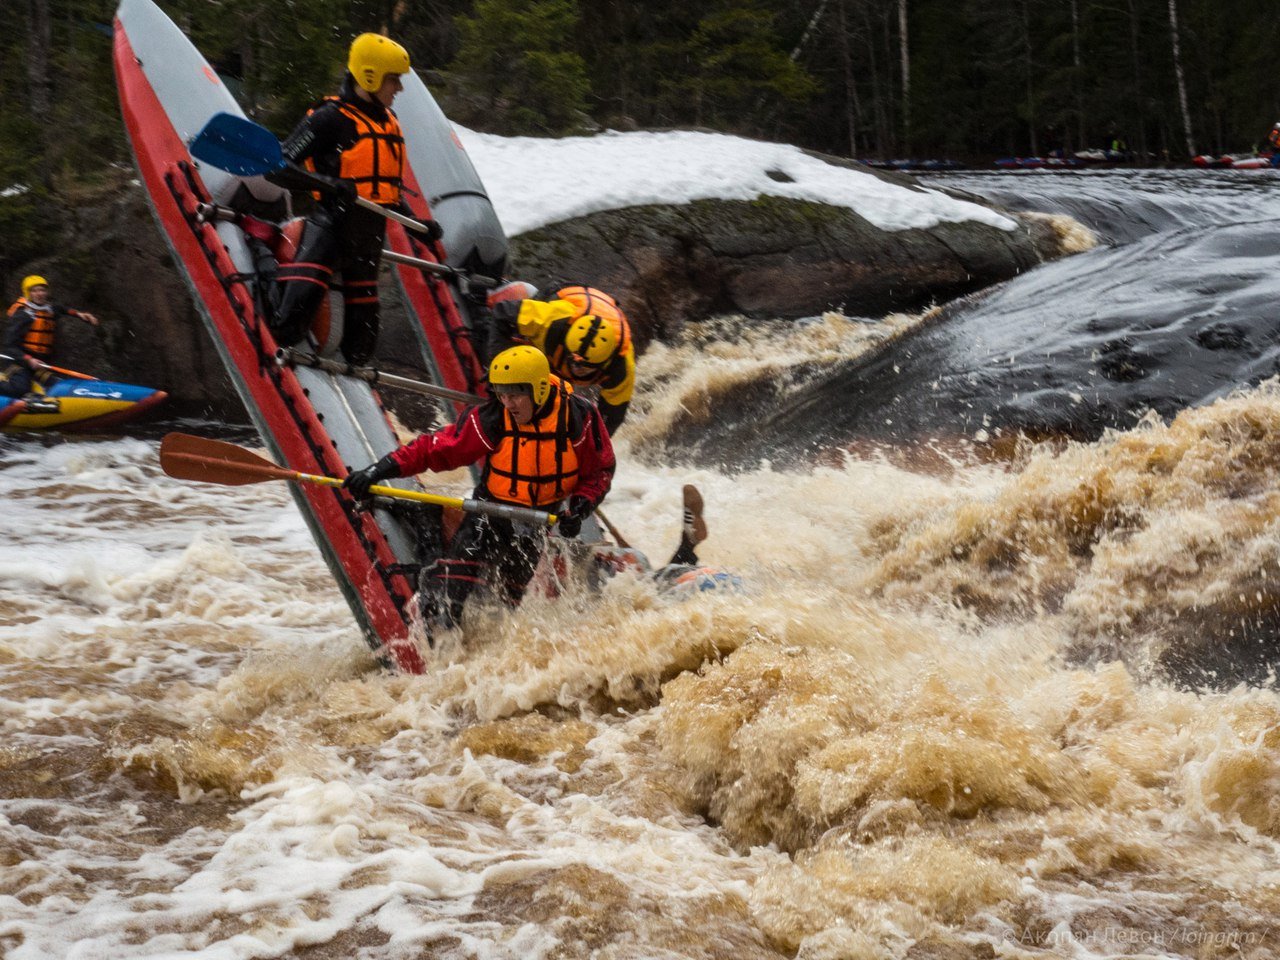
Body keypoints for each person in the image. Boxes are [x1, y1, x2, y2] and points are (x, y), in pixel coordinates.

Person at [343, 345, 615, 640]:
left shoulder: (578, 418)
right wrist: (378, 471)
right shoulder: (495, 415)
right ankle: (439, 649)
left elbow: (599, 471)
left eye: (514, 395)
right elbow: (438, 448)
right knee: (449, 596)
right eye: (502, 394)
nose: (507, 402)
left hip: (535, 523)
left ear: (537, 390)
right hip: (487, 513)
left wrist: (580, 507)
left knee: (504, 609)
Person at [268, 32, 442, 365]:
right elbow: (277, 168)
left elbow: (385, 192)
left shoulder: (390, 123)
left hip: (367, 240)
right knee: (288, 326)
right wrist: (330, 184)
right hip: (331, 228)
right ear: (370, 76)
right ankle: (266, 273)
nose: (399, 89)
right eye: (394, 80)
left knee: (361, 349)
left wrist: (418, 226)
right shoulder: (328, 118)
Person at [484, 283, 636, 434]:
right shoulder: (553, 320)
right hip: (565, 301)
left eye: (583, 366)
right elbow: (502, 313)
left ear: (602, 365)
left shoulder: (621, 370)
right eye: (573, 360)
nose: (576, 367)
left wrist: (588, 446)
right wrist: (499, 367)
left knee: (557, 395)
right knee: (524, 362)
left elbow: (610, 418)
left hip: (595, 316)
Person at [1, 275, 99, 413]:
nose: (40, 294)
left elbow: (63, 309)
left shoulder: (49, 309)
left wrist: (80, 314)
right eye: (35, 291)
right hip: (17, 363)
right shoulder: (22, 315)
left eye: (42, 290)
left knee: (57, 385)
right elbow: (9, 346)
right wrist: (28, 359)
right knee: (20, 388)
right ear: (28, 293)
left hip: (38, 366)